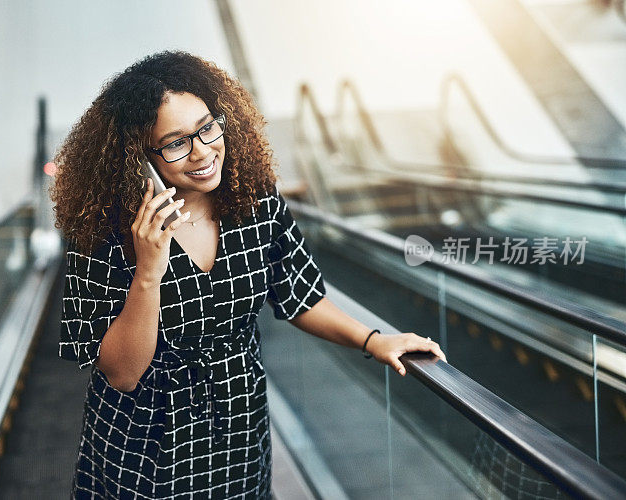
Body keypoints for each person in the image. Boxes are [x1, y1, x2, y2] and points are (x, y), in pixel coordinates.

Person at [50, 50, 446, 499]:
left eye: (206, 128)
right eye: (176, 143)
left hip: (239, 421)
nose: (202, 152)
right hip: (147, 442)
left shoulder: (253, 199)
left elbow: (299, 294)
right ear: (137, 157)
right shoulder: (106, 233)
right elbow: (122, 373)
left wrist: (373, 341)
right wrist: (148, 272)